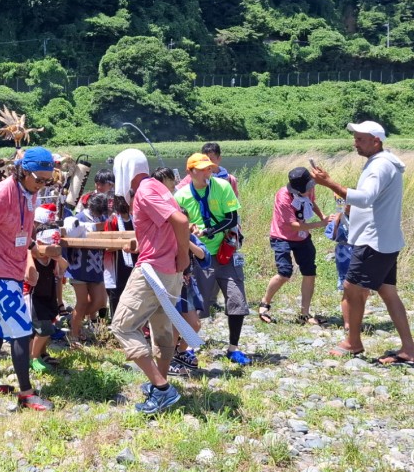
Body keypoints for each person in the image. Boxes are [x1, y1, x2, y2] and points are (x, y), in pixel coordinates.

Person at [312, 121, 414, 365]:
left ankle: (353, 343)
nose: (355, 143)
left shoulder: (379, 166)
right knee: (388, 292)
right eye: (355, 138)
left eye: (360, 139)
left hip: (373, 240)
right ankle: (409, 349)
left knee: (352, 288)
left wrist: (329, 183)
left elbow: (365, 198)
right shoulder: (384, 162)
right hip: (386, 239)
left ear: (376, 141)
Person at [0, 147, 56, 412]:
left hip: (14, 267)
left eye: (47, 180)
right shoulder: (1, 194)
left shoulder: (30, 191)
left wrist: (31, 256)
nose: (42, 185)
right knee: (22, 331)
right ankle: (26, 394)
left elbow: (22, 231)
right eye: (39, 179)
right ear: (24, 171)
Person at [110, 148, 191, 415]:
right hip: (169, 271)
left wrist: (184, 254)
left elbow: (180, 221)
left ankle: (163, 389)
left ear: (124, 171)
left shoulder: (144, 191)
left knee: (122, 326)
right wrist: (143, 242)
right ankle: (160, 385)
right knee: (161, 328)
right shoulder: (157, 185)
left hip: (153, 269)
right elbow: (163, 225)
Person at [174, 153, 250, 365]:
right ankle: (186, 347)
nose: (207, 172)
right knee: (196, 305)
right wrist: (190, 232)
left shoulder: (222, 186)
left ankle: (233, 348)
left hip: (226, 251)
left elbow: (232, 218)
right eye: (202, 169)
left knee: (237, 300)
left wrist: (210, 231)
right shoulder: (181, 196)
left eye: (209, 168)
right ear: (190, 172)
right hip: (198, 257)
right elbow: (176, 227)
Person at [259, 167, 330, 325]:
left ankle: (304, 314)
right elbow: (293, 225)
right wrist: (320, 224)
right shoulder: (283, 196)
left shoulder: (309, 187)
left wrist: (322, 216)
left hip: (302, 237)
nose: (309, 191)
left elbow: (311, 203)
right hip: (282, 236)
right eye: (305, 189)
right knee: (284, 273)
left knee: (309, 272)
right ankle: (265, 303)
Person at [64, 193, 110, 345]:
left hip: (96, 266)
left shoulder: (103, 218)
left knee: (100, 301)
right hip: (79, 265)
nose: (100, 214)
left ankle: (74, 320)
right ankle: (74, 336)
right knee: (82, 302)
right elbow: (70, 234)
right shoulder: (78, 218)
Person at [28, 228, 67, 374]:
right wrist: (30, 254)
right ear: (39, 243)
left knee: (45, 328)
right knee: (43, 329)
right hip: (34, 297)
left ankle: (41, 354)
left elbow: (64, 267)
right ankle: (33, 358)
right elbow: (29, 275)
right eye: (50, 246)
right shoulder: (31, 257)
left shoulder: (52, 259)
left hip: (48, 296)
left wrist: (57, 257)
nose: (53, 249)